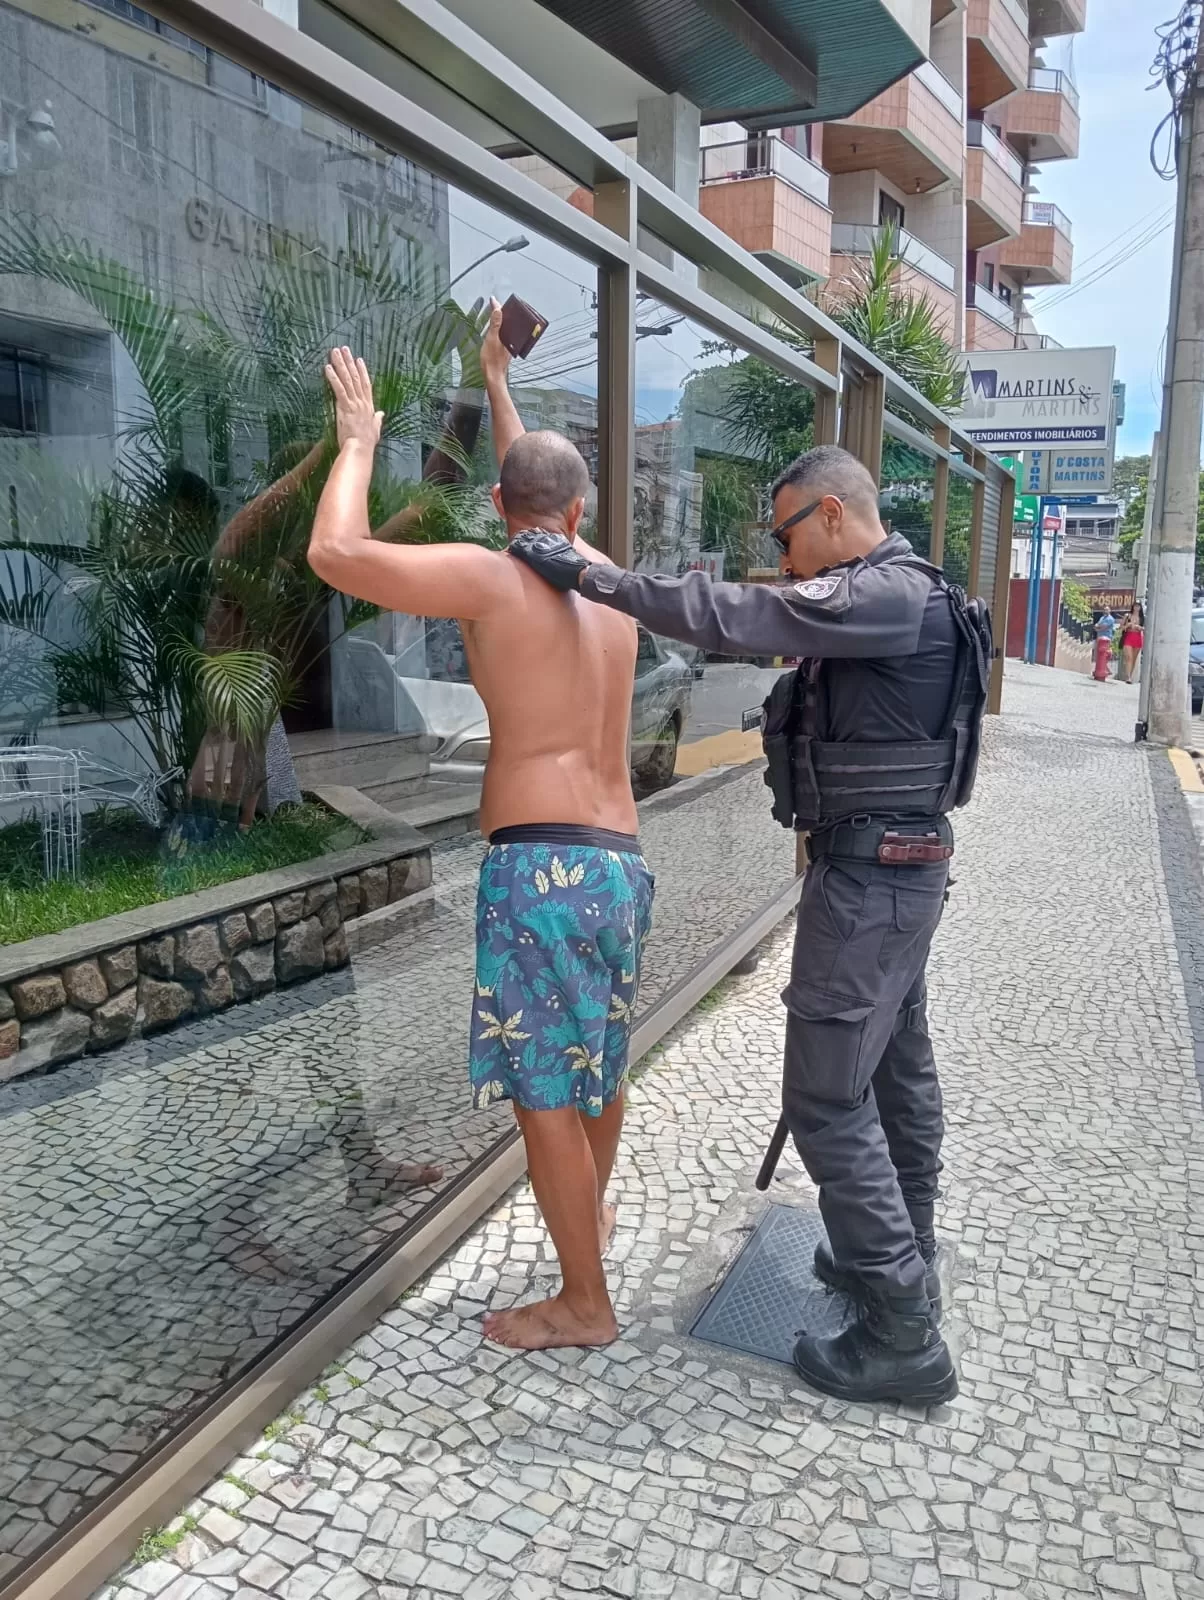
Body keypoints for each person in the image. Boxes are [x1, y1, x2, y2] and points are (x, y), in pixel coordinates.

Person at [510, 444, 991, 1406]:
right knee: (895, 1071)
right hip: (894, 876)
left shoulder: (884, 594)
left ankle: (903, 1329)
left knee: (825, 1099)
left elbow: (744, 614)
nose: (785, 559)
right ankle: (899, 1259)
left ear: (827, 515)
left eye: (784, 535)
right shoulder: (910, 594)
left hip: (873, 887)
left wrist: (599, 577)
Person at [307, 306, 653, 1352]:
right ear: (581, 509)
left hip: (539, 867)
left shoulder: (489, 574)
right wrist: (498, 379)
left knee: (543, 1091)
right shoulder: (611, 592)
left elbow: (335, 549)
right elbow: (539, 496)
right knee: (594, 1067)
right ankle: (583, 1237)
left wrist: (358, 444)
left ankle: (584, 1302)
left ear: (499, 506)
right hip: (620, 868)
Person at [1119, 602, 1144, 684]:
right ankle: (1128, 677)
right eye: (1135, 606)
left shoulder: (1142, 617)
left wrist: (1140, 627)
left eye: (1138, 606)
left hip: (1138, 637)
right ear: (1133, 607)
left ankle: (1130, 675)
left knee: (1133, 658)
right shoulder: (1127, 616)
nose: (1136, 608)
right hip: (1128, 636)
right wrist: (1127, 625)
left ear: (1140, 608)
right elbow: (1121, 628)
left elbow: (1145, 628)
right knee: (1129, 657)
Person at [1093, 608, 1116, 682]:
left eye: (1107, 610)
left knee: (1104, 654)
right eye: (1104, 610)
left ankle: (1104, 670)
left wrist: (1098, 628)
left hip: (1106, 638)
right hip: (1099, 637)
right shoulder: (1102, 617)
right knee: (1098, 655)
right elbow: (1097, 624)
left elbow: (1103, 627)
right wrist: (1097, 627)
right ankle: (1103, 669)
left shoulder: (1110, 619)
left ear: (1110, 611)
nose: (1105, 611)